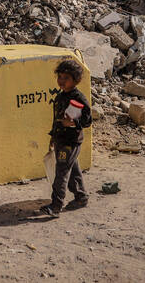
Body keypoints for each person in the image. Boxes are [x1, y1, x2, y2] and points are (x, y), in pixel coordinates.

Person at [40, 60, 92, 218]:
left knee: (61, 173)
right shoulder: (60, 96)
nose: (61, 81)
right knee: (72, 169)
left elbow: (87, 121)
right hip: (60, 139)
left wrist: (73, 123)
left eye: (66, 78)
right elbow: (57, 119)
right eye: (60, 77)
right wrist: (53, 136)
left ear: (76, 80)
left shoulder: (79, 98)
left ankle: (56, 206)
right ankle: (81, 197)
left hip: (70, 142)